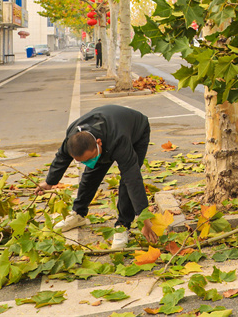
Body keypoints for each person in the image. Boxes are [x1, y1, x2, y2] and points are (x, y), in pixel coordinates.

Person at [36, 104, 157, 249]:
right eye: (83, 161)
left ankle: (123, 225)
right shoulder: (73, 136)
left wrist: (144, 219)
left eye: (89, 158)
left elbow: (133, 179)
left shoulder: (118, 140)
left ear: (98, 143)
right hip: (107, 133)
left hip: (136, 131)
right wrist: (50, 182)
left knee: (127, 181)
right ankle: (78, 214)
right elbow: (62, 157)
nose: (87, 163)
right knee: (90, 175)